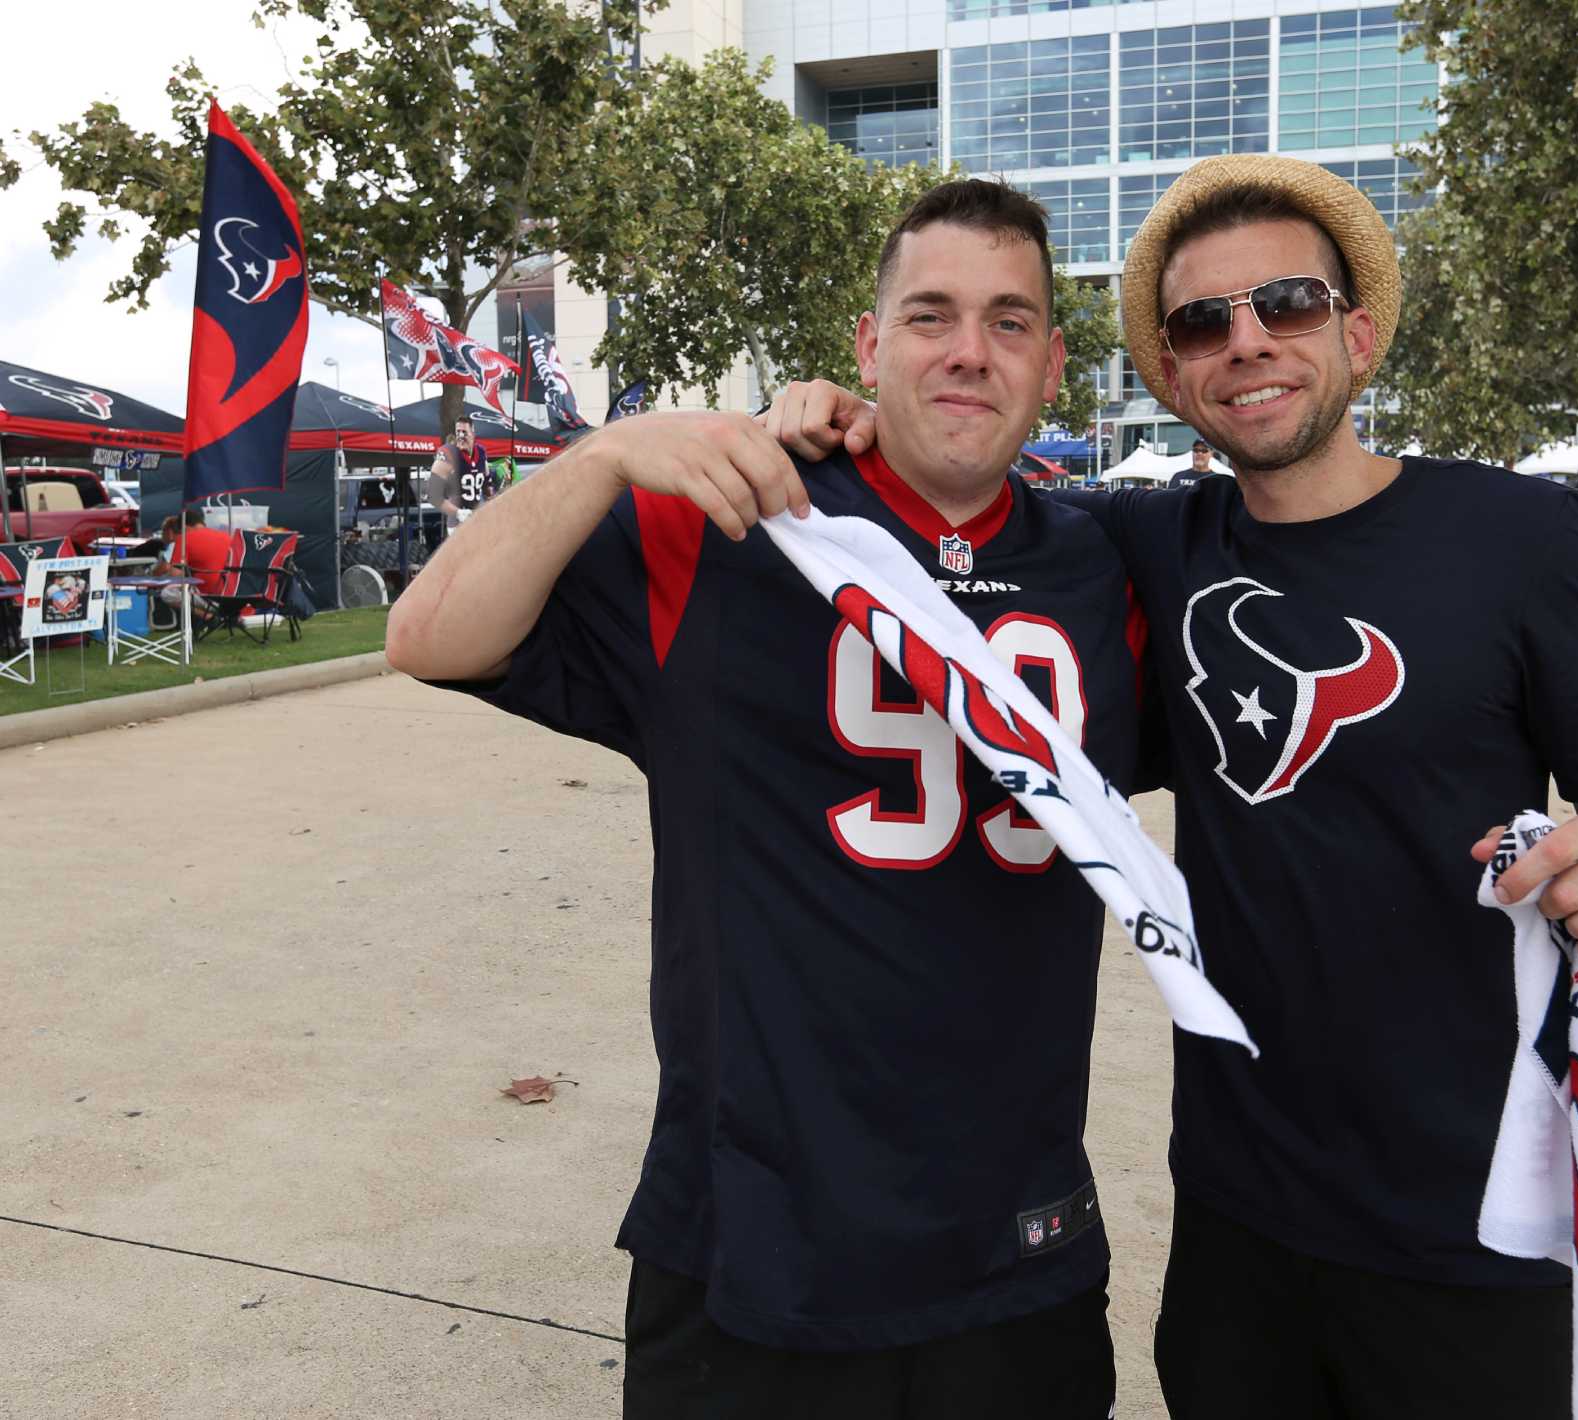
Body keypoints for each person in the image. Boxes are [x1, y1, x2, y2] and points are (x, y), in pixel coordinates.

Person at [761, 154, 1578, 1420]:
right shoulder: (1142, 545)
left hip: (1479, 1217)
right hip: (1237, 1221)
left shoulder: (1519, 539)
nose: (1246, 342)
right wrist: (834, 412)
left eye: (1289, 306)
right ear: (1173, 370)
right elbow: (961, 489)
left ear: (1357, 335)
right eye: (1202, 322)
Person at [385, 180, 1143, 1420]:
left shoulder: (1112, 564)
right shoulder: (728, 522)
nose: (967, 350)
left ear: (1053, 363)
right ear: (866, 342)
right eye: (930, 315)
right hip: (751, 1232)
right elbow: (429, 634)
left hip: (1015, 1247)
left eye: (1009, 322)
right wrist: (608, 453)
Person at [423, 414, 496, 544]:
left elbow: (487, 485)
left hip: (477, 520)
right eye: (458, 432)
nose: (461, 436)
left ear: (473, 432)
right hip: (457, 524)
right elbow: (433, 495)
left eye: (464, 432)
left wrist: (496, 494)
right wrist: (458, 513)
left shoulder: (481, 452)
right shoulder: (449, 453)